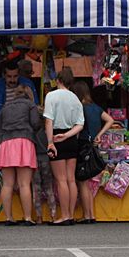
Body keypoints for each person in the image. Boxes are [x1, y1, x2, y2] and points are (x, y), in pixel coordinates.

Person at [43, 67, 84, 225]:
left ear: (58, 80)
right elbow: (80, 124)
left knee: (60, 180)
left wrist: (51, 142)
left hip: (56, 136)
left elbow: (48, 120)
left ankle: (64, 215)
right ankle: (71, 214)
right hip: (71, 138)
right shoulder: (75, 99)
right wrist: (67, 135)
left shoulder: (51, 96)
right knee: (71, 180)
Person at [0, 85, 41, 225]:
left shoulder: (5, 107)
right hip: (24, 142)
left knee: (7, 184)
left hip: (6, 143)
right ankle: (27, 217)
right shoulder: (30, 105)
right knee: (24, 184)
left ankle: (8, 218)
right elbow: (35, 123)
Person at [72, 80, 114, 224]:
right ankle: (91, 214)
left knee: (82, 182)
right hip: (93, 146)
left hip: (83, 145)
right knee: (88, 182)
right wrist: (99, 134)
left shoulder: (79, 108)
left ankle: (87, 215)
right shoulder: (95, 107)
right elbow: (110, 120)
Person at [0, 59, 38, 151]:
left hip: (25, 136)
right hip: (2, 135)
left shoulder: (28, 86)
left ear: (19, 74)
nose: (12, 80)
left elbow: (35, 110)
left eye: (15, 76)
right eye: (9, 76)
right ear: (4, 75)